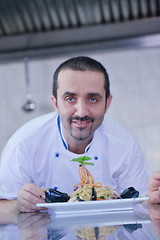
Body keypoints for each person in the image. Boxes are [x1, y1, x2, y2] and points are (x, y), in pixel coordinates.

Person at [0, 56, 159, 214]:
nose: (82, 112)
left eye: (93, 99)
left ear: (107, 103)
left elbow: (140, 206)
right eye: (70, 98)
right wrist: (18, 206)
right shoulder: (23, 143)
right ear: (55, 103)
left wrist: (152, 201)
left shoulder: (125, 145)